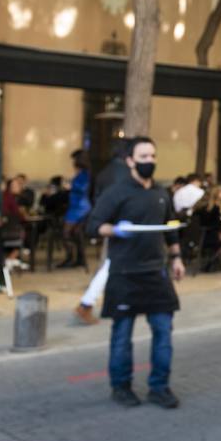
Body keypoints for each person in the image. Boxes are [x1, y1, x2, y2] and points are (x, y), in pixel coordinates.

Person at [85, 136, 185, 410]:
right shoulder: (116, 193)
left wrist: (176, 257)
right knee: (122, 335)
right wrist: (115, 230)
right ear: (130, 161)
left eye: (152, 156)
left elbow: (170, 228)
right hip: (124, 273)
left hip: (156, 273)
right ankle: (121, 387)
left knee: (164, 332)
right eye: (143, 158)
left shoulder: (161, 194)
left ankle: (159, 387)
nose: (149, 162)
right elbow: (93, 226)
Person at [76, 139, 135, 325]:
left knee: (114, 264)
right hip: (123, 223)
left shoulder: (104, 173)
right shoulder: (126, 174)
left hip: (110, 223)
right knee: (112, 265)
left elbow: (94, 197)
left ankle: (91, 302)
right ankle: (86, 303)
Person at [60, 150, 91, 269]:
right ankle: (79, 258)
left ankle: (70, 257)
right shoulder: (82, 173)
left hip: (79, 208)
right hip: (77, 207)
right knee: (76, 233)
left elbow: (83, 188)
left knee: (66, 232)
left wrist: (71, 186)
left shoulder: (84, 174)